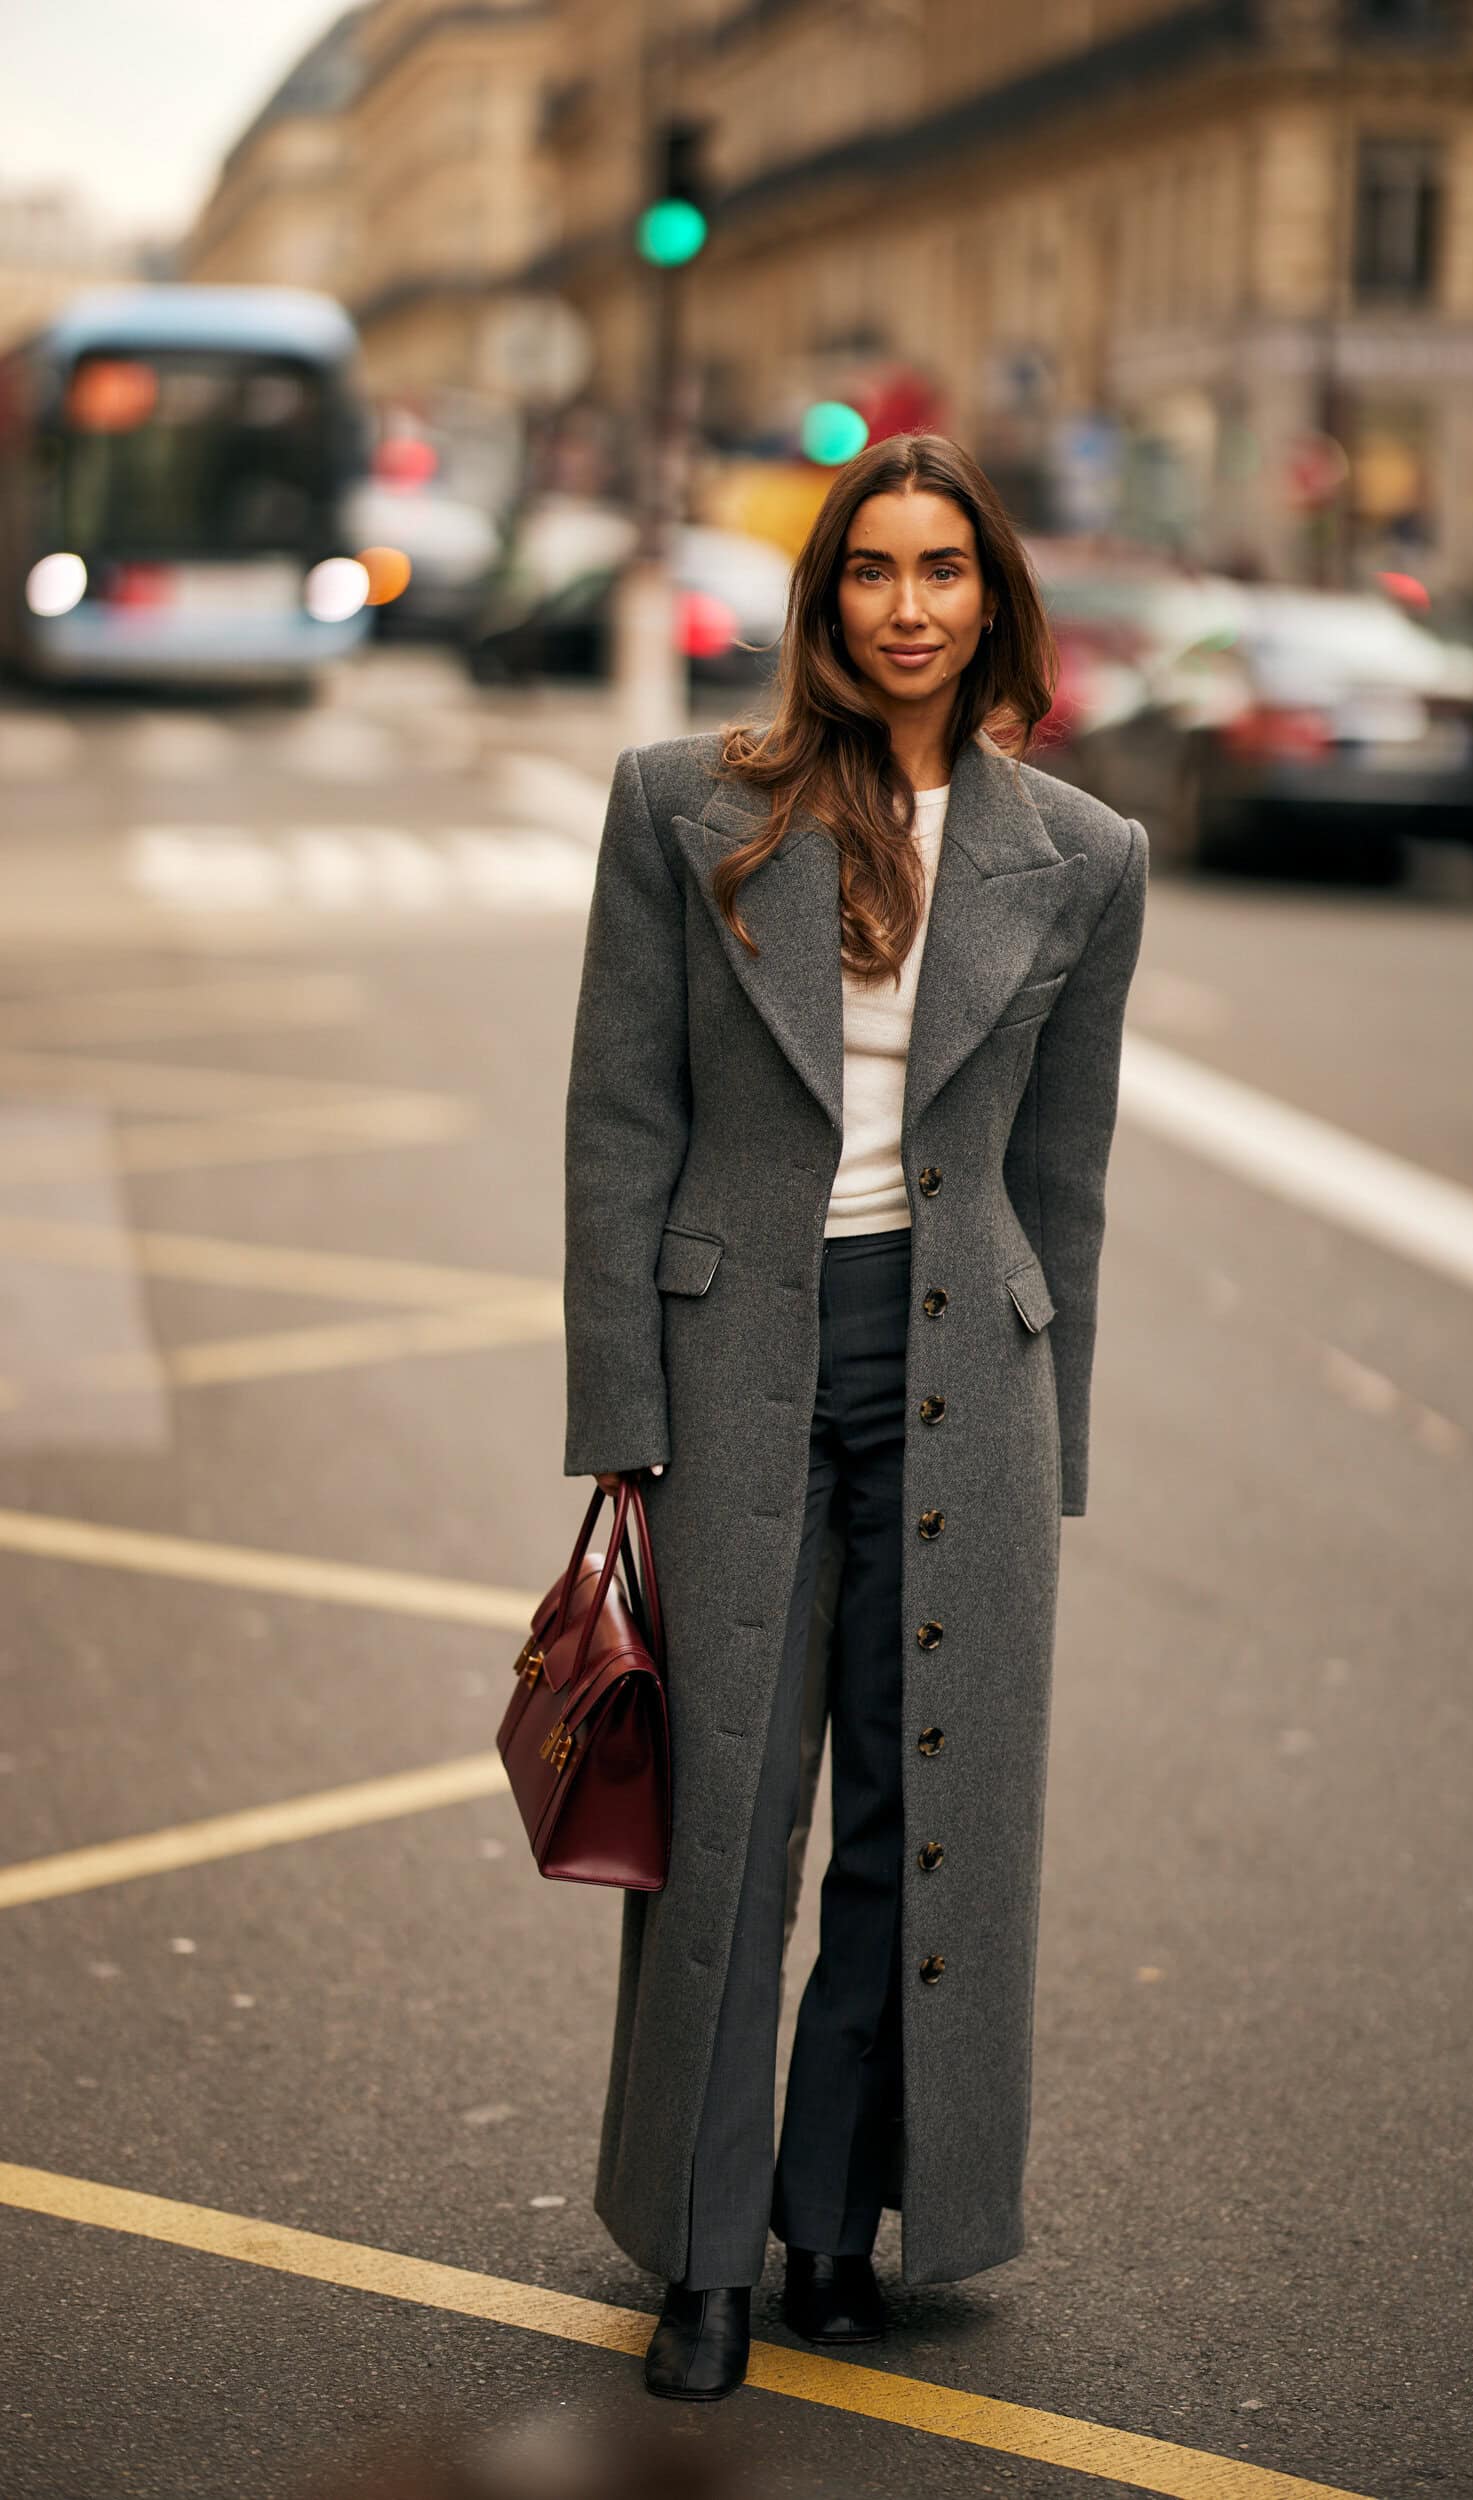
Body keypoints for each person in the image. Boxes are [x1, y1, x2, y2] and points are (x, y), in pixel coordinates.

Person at [561, 432, 1149, 2402]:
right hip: (744, 1356)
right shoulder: (681, 807)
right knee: (726, 1817)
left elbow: (1062, 1178)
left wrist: (1049, 1436)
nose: (911, 604)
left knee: (927, 1822)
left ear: (994, 601)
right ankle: (706, 2257)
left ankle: (835, 2215)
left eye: (945, 570)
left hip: (961, 1364)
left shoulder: (1083, 859)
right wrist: (618, 1413)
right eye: (875, 570)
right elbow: (619, 1125)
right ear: (824, 603)